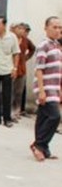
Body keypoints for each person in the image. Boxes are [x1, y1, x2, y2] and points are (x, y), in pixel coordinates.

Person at [29, 17, 62, 162]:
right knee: (55, 116)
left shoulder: (56, 45)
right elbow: (39, 69)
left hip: (54, 87)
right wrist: (41, 91)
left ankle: (44, 148)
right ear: (46, 28)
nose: (58, 30)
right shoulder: (44, 46)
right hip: (45, 88)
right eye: (54, 27)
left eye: (60, 27)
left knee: (43, 117)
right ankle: (38, 145)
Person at [12, 22, 36, 119]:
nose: (23, 31)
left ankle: (17, 110)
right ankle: (8, 110)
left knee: (19, 91)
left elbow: (33, 49)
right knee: (10, 90)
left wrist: (26, 57)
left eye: (25, 30)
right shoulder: (11, 39)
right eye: (21, 29)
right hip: (11, 67)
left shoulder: (26, 41)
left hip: (21, 68)